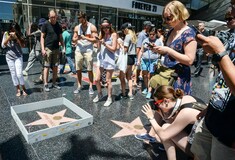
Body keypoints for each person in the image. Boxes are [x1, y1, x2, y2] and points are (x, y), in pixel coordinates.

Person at [191, 9, 235, 160]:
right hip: (213, 116)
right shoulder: (232, 35)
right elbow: (223, 81)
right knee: (198, 155)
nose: (231, 13)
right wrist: (210, 107)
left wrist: (220, 52)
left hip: (229, 133)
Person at [135, 85, 206, 160]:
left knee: (165, 129)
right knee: (165, 128)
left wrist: (151, 118)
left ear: (166, 101)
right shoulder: (184, 98)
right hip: (199, 142)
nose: (157, 106)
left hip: (202, 153)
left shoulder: (186, 113)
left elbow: (164, 136)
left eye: (157, 103)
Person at [150, 0, 197, 95]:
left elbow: (189, 60)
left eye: (169, 18)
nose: (166, 21)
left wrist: (168, 50)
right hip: (166, 74)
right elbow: (168, 52)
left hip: (178, 78)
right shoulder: (171, 31)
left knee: (175, 106)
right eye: (165, 18)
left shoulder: (188, 33)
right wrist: (159, 50)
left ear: (179, 14)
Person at [92, 17, 117, 106]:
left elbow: (114, 49)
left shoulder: (114, 35)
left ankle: (109, 98)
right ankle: (99, 94)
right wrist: (97, 42)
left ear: (110, 26)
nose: (105, 29)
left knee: (108, 80)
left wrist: (105, 44)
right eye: (103, 27)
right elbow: (98, 47)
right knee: (97, 79)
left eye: (107, 27)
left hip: (109, 60)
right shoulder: (101, 34)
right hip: (101, 59)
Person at [72, 12, 98, 95]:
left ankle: (91, 87)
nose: (80, 20)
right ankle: (79, 86)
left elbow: (95, 40)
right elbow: (73, 39)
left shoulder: (92, 27)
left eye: (81, 18)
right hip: (79, 49)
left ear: (85, 17)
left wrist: (85, 37)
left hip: (88, 50)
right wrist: (77, 39)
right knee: (78, 69)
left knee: (89, 69)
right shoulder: (77, 27)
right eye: (78, 18)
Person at [41, 9, 64, 92]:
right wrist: (43, 49)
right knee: (46, 67)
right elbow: (42, 37)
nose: (53, 19)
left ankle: (54, 83)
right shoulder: (45, 24)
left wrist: (63, 47)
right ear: (49, 16)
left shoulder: (58, 25)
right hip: (48, 49)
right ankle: (46, 84)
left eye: (54, 17)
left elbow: (60, 37)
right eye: (51, 17)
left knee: (55, 67)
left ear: (56, 16)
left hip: (56, 49)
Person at [1, 22, 27, 96]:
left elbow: (23, 46)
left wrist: (17, 38)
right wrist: (9, 38)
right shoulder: (6, 34)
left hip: (18, 56)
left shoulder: (19, 34)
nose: (13, 32)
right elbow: (3, 46)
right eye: (11, 30)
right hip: (9, 57)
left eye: (14, 30)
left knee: (19, 74)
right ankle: (18, 89)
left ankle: (24, 88)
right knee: (13, 74)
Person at [137, 27, 163, 99]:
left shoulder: (158, 41)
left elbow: (160, 52)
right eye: (150, 34)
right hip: (144, 60)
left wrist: (154, 49)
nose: (151, 36)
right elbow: (141, 51)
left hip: (153, 61)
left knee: (151, 75)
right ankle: (146, 88)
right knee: (145, 75)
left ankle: (149, 91)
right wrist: (138, 60)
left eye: (153, 34)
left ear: (156, 34)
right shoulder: (145, 40)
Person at [119, 22, 137, 99]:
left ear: (125, 29)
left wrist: (120, 44)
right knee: (129, 77)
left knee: (121, 76)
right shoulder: (134, 36)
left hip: (127, 58)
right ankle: (130, 93)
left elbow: (125, 50)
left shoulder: (127, 36)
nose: (123, 32)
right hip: (132, 58)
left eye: (123, 30)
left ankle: (123, 93)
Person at [134, 21, 153, 87]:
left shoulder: (147, 34)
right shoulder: (141, 35)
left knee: (141, 69)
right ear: (146, 26)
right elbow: (138, 46)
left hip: (145, 54)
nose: (151, 27)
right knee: (138, 68)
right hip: (141, 54)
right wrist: (138, 56)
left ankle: (138, 80)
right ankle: (135, 81)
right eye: (150, 26)